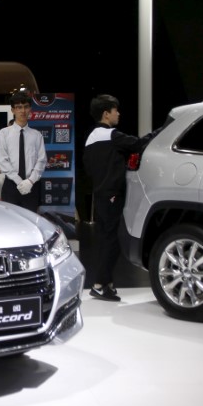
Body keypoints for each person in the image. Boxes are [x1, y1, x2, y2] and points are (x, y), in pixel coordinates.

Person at [83, 94, 154, 302]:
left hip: (101, 193)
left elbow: (89, 168)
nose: (118, 114)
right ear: (106, 113)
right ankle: (100, 284)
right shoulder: (111, 135)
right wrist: (161, 131)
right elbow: (139, 144)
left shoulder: (90, 138)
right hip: (112, 195)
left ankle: (105, 283)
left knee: (106, 239)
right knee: (111, 241)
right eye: (116, 111)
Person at [0, 92, 46, 212]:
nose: (22, 111)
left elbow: (41, 160)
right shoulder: (4, 133)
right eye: (19, 107)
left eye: (26, 106)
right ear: (13, 110)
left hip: (32, 186)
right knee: (10, 222)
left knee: (31, 222)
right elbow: (3, 160)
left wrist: (30, 181)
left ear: (30, 109)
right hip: (11, 185)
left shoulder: (36, 135)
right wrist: (19, 182)